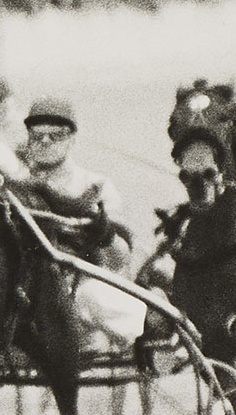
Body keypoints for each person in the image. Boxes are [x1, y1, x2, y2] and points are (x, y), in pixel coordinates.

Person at [17, 97, 147, 350]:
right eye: (36, 136)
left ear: (72, 139)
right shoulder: (16, 185)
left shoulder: (95, 187)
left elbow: (120, 259)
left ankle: (151, 326)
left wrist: (105, 233)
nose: (45, 142)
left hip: (79, 285)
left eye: (56, 135)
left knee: (98, 298)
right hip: (25, 288)